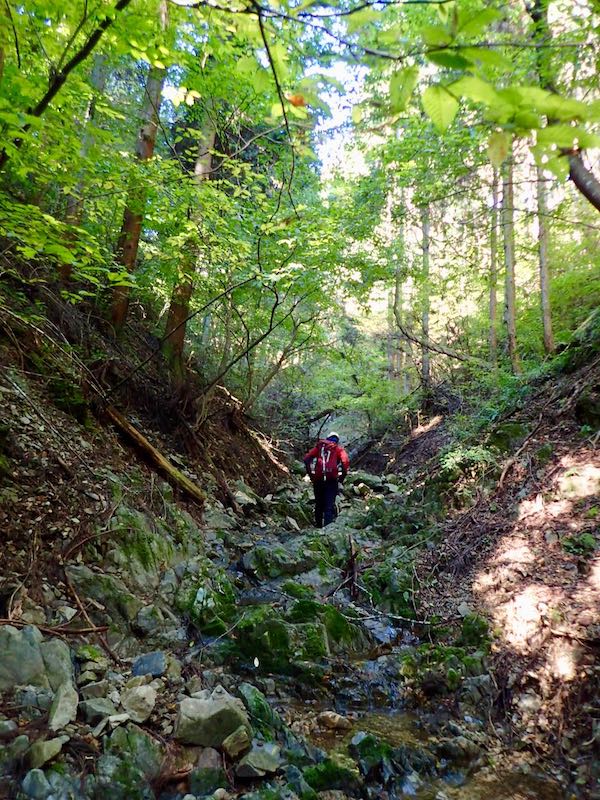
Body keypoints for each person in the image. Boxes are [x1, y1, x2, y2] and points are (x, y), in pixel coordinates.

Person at [303, 431, 350, 528]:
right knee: (329, 505)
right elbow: (345, 462)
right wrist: (341, 478)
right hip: (331, 479)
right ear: (337, 441)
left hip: (318, 479)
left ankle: (318, 527)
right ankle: (327, 531)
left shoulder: (320, 447)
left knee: (319, 504)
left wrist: (311, 475)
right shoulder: (338, 449)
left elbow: (307, 459)